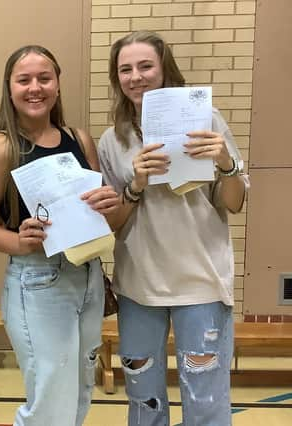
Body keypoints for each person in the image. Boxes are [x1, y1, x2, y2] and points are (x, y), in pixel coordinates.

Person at [98, 31, 248, 426]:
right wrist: (135, 185)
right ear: (117, 79)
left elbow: (234, 201)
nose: (136, 77)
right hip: (139, 285)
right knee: (144, 399)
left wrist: (225, 162)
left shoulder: (207, 121)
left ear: (165, 69)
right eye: (125, 69)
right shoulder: (113, 140)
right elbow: (112, 223)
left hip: (200, 282)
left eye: (145, 66)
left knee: (205, 400)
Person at [0, 45, 120, 426]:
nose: (34, 88)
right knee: (50, 402)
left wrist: (108, 201)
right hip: (36, 279)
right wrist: (18, 241)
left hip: (87, 277)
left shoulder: (79, 139)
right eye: (24, 80)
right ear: (9, 89)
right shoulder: (0, 148)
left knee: (79, 394)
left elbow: (102, 212)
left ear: (57, 84)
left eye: (44, 78)